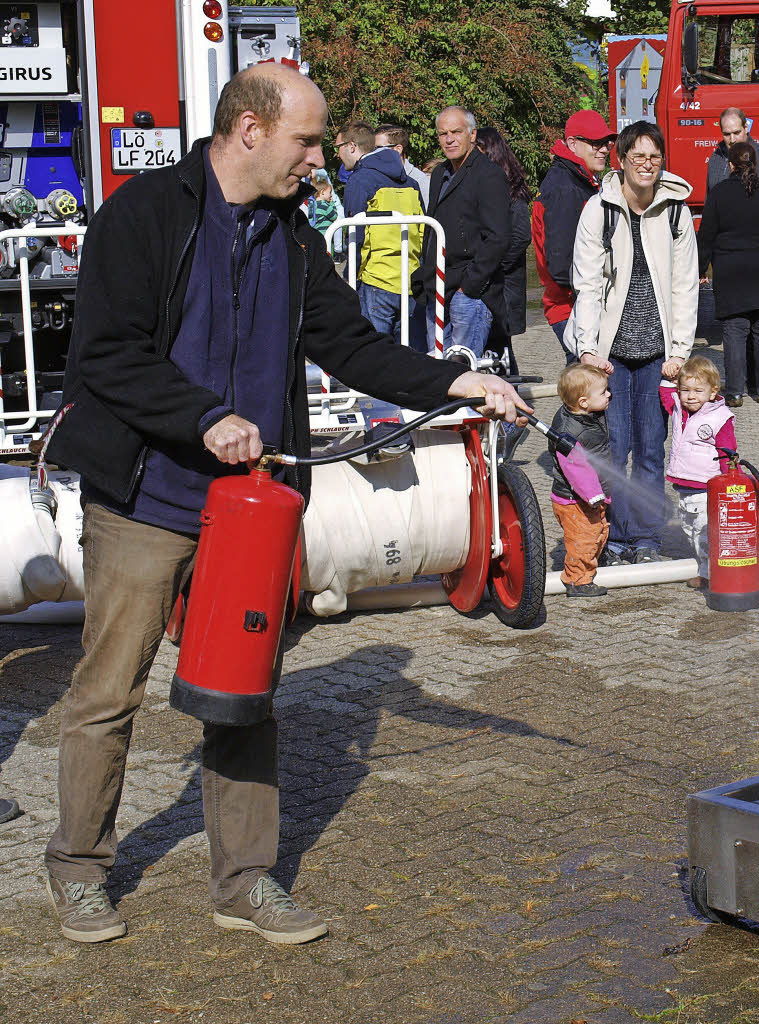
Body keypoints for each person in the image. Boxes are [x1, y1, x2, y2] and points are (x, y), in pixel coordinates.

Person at [40, 63, 527, 946]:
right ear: (250, 129)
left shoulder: (294, 237)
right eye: (307, 142)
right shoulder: (143, 214)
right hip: (148, 496)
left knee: (244, 690)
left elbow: (350, 344)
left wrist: (456, 381)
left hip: (252, 508)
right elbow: (105, 356)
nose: (318, 160)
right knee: (109, 690)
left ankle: (245, 883)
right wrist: (205, 417)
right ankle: (78, 870)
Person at [566, 120, 698, 565]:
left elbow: (685, 287)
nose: (646, 164)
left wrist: (679, 350)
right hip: (610, 355)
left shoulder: (676, 211)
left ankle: (644, 537)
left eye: (654, 157)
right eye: (637, 156)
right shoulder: (597, 210)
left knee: (649, 449)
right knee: (613, 446)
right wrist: (587, 348)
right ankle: (612, 536)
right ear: (621, 160)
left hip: (658, 355)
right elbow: (585, 284)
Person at [696, 141, 759, 405]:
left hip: (732, 272)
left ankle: (734, 392)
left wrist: (700, 268)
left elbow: (706, 236)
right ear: (754, 164)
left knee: (734, 331)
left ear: (730, 165)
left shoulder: (719, 193)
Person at [415, 106, 510, 361]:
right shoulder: (439, 174)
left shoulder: (489, 175)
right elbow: (433, 227)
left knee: (464, 376)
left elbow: (499, 237)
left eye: (456, 131)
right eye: (443, 133)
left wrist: (469, 287)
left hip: (468, 293)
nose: (449, 139)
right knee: (440, 375)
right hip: (439, 289)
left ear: (472, 134)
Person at [532, 111, 616, 358]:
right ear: (572, 144)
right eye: (595, 143)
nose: (603, 149)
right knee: (587, 389)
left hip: (577, 305)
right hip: (571, 308)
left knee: (586, 387)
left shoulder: (578, 179)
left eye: (605, 143)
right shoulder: (565, 188)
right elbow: (560, 263)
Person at [659, 356, 737, 589]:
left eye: (698, 391)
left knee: (705, 535)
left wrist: (732, 482)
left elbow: (728, 453)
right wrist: (668, 378)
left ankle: (711, 576)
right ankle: (707, 569)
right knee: (691, 531)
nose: (691, 396)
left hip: (706, 487)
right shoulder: (680, 410)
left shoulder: (719, 418)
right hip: (685, 487)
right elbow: (666, 396)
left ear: (713, 392)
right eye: (685, 390)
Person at [343, 132, 424, 345]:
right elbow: (422, 232)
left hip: (376, 280)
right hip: (410, 280)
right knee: (407, 355)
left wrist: (352, 275)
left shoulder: (360, 180)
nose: (338, 155)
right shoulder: (412, 184)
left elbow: (359, 236)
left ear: (351, 146)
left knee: (374, 354)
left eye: (338, 147)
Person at [549, 363, 612, 598]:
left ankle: (586, 569)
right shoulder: (570, 432)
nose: (609, 395)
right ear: (584, 402)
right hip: (576, 499)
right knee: (583, 540)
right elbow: (576, 469)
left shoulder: (586, 415)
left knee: (596, 533)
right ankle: (577, 580)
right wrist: (594, 495)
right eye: (603, 392)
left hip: (591, 495)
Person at [475, 125, 531, 371]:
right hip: (489, 281)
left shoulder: (512, 190)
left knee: (499, 350)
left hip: (502, 285)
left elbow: (520, 236)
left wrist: (491, 266)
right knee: (493, 349)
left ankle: (511, 402)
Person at [703, 106, 759, 199]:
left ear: (746, 128)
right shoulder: (716, 158)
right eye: (727, 134)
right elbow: (709, 200)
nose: (732, 140)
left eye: (736, 133)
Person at [375, 123, 430, 208]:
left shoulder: (420, 180)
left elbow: (427, 216)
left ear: (398, 149)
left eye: (378, 148)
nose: (374, 153)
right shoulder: (374, 177)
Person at [304, 169, 343, 255]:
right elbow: (334, 216)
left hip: (316, 235)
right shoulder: (324, 206)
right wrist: (332, 204)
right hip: (326, 235)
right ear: (322, 192)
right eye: (329, 192)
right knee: (328, 254)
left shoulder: (313, 204)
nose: (331, 195)